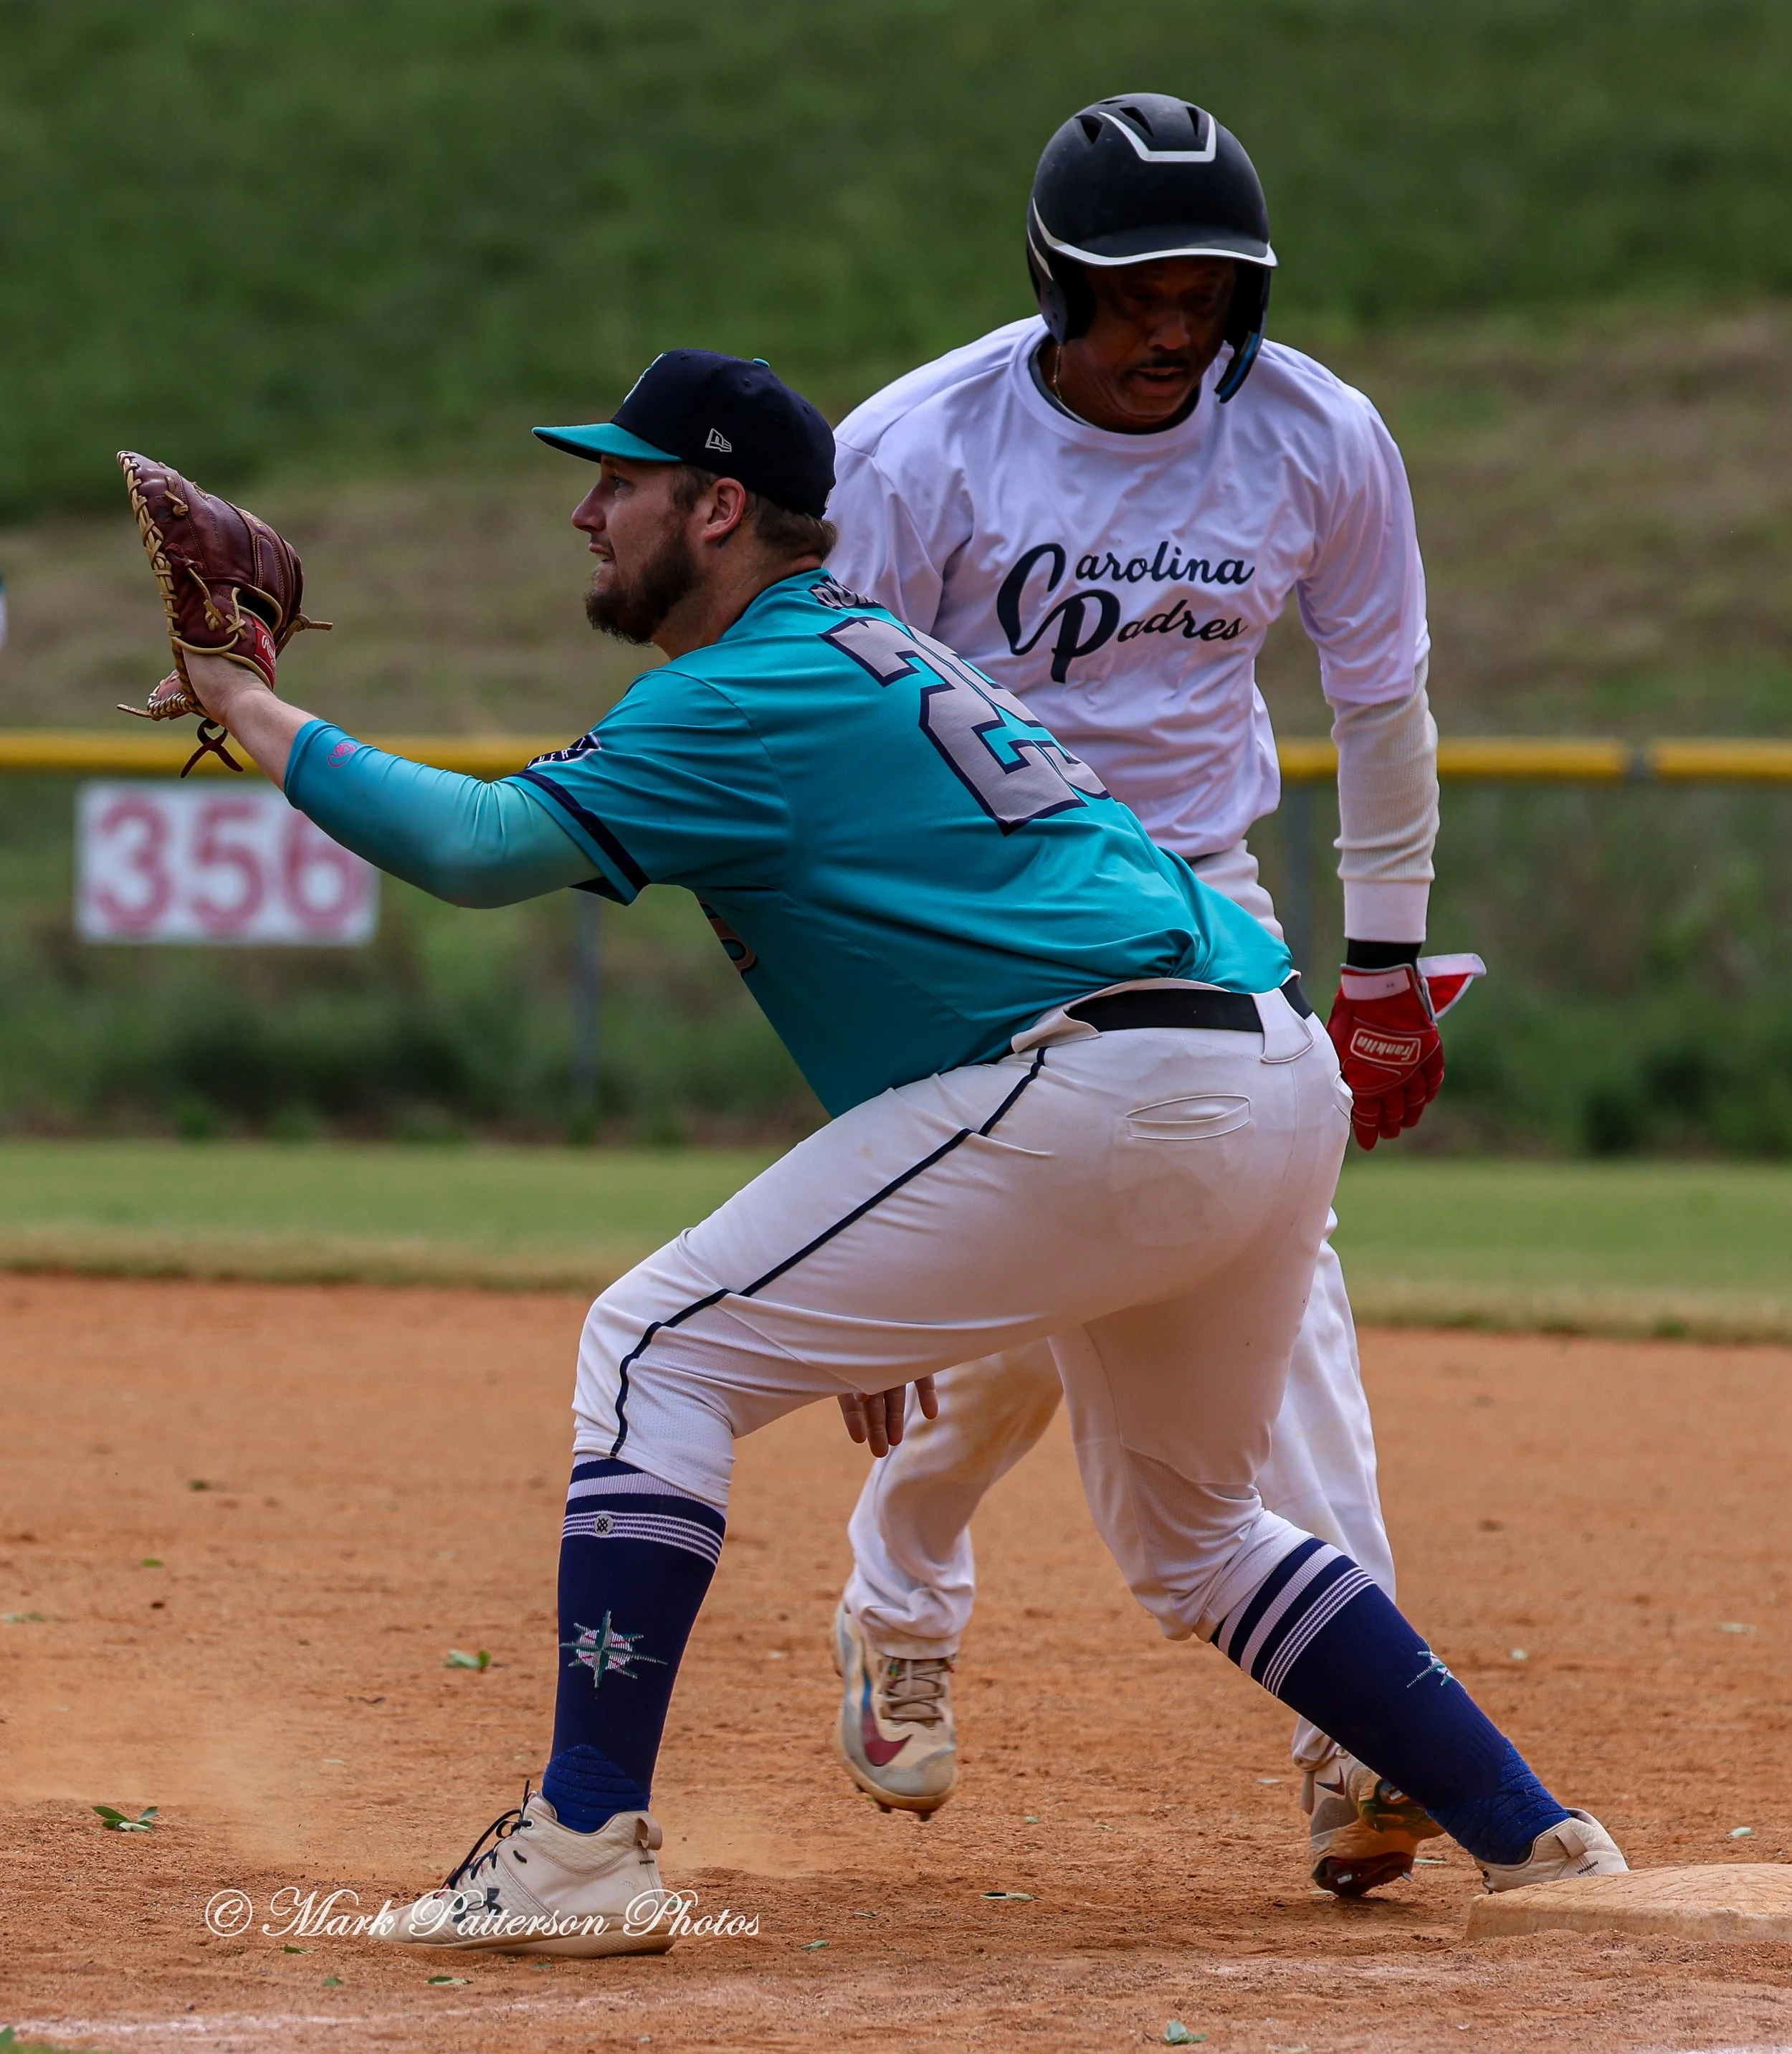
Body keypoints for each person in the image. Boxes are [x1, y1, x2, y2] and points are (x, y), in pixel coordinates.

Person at [175, 348, 1622, 1956]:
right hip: (1261, 1074)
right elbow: (966, 932)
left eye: (621, 482)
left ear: (717, 508)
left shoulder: (735, 689)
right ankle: (1530, 1832)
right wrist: (906, 1256)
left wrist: (247, 701)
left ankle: (579, 1844)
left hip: (1106, 1083)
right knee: (1197, 1527)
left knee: (651, 1348)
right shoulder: (884, 650)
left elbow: (475, 844)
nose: (587, 512)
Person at [823, 92, 1466, 1896]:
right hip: (977, 916)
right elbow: (832, 756)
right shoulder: (914, 458)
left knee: (1281, 1294)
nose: (1169, 332)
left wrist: (1387, 968)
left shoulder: (1317, 437)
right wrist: (872, 1087)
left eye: (1204, 294)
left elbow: (1381, 706)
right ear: (1050, 286)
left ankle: (1366, 1732)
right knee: (1025, 1323)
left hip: (1206, 918)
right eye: (1130, 295)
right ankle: (897, 1591)